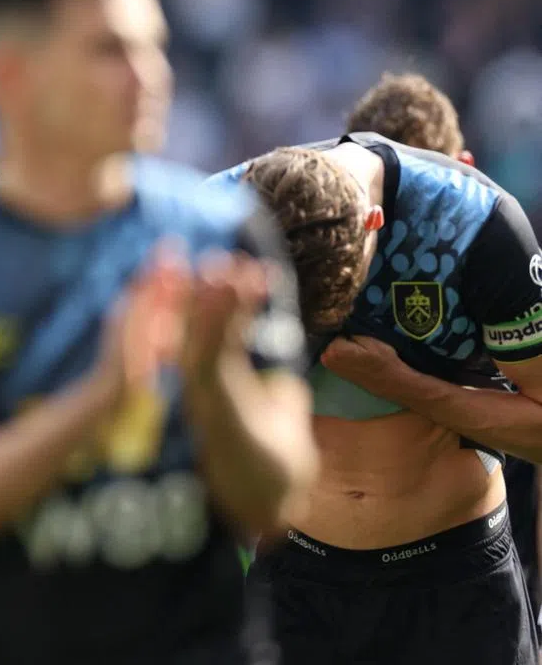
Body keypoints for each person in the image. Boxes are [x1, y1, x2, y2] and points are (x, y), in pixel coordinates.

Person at [0, 0, 317, 664]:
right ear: (12, 75)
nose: (150, 76)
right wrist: (104, 393)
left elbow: (278, 503)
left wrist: (214, 378)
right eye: (111, 50)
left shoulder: (225, 233)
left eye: (153, 46)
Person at [210, 129, 542, 663]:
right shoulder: (218, 217)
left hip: (456, 584)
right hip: (296, 584)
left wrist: (406, 386)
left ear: (374, 225)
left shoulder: (474, 223)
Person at [347, 71, 542, 629]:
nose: (415, 227)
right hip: (327, 591)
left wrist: (402, 384)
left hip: (481, 592)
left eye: (430, 192)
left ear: (465, 172)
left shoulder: (508, 271)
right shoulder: (322, 261)